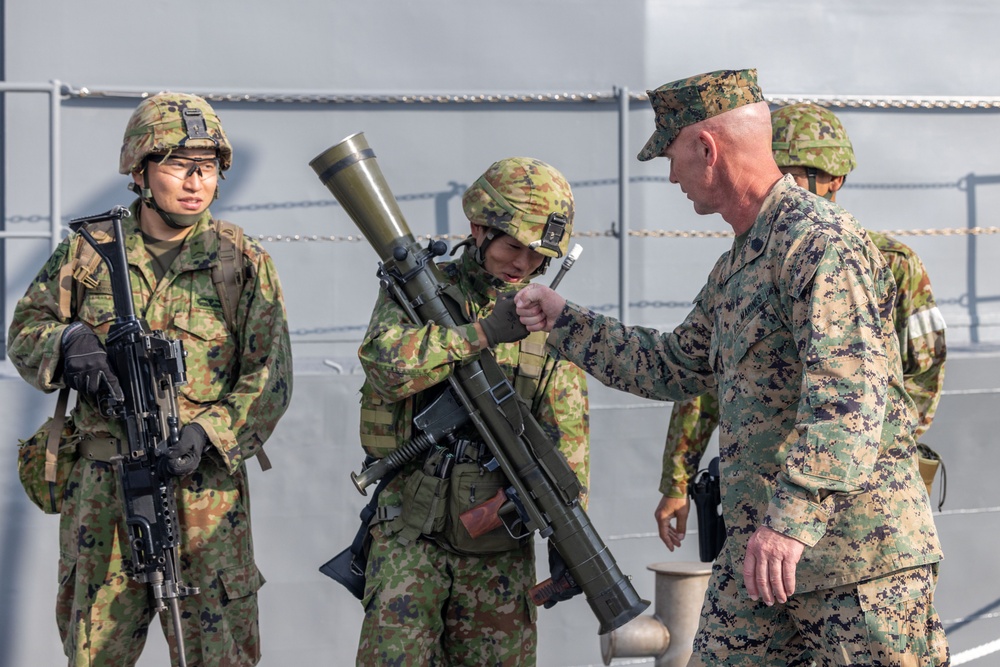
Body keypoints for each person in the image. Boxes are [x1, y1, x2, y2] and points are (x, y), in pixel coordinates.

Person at [515, 69, 949, 665]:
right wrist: (564, 321)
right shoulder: (738, 264)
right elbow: (673, 365)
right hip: (760, 559)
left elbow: (849, 398)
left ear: (706, 148)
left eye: (671, 156)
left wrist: (790, 523)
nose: (670, 176)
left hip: (854, 562)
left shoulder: (819, 244)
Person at [8, 92, 292, 666]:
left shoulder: (241, 260)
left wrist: (210, 432)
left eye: (207, 168)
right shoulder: (88, 253)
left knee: (218, 655)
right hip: (104, 495)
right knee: (96, 653)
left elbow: (271, 377)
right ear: (139, 172)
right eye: (176, 166)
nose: (195, 182)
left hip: (204, 494)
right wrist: (68, 343)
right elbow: (23, 332)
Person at [655, 102, 949, 553]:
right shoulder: (749, 263)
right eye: (782, 168)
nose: (789, 182)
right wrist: (678, 477)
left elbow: (923, 373)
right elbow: (707, 377)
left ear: (836, 179)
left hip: (856, 506)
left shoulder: (888, 262)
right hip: (763, 498)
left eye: (803, 172)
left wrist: (872, 449)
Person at [355, 156, 589, 666]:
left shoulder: (544, 318)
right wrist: (479, 335)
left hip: (498, 545)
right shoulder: (420, 291)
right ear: (479, 228)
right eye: (513, 246)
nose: (523, 264)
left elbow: (565, 442)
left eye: (537, 255)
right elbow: (384, 366)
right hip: (410, 534)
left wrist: (572, 541)